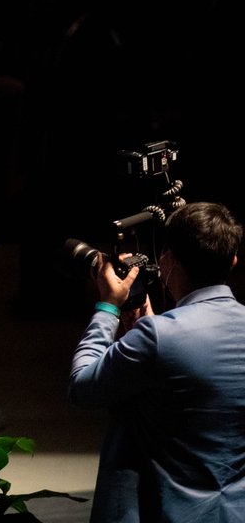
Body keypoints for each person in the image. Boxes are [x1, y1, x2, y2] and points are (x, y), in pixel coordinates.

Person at [68, 201, 245, 521]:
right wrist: (147, 325)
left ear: (168, 260)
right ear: (233, 260)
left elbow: (82, 386)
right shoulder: (159, 334)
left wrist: (107, 308)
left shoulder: (158, 337)